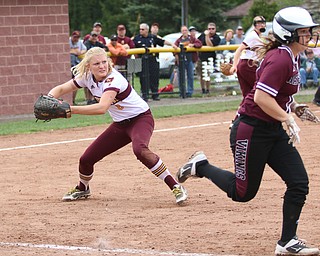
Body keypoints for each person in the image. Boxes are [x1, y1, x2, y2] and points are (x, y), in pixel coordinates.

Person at [177, 6, 320, 256]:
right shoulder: (281, 57)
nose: (309, 35)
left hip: (272, 129)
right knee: (241, 193)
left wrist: (294, 108)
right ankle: (201, 166)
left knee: (298, 183)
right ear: (288, 34)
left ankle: (287, 242)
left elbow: (277, 94)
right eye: (304, 32)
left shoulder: (293, 56)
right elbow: (263, 98)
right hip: (250, 129)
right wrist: (286, 117)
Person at [46, 47, 187, 205]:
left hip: (141, 119)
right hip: (120, 125)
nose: (102, 66)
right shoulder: (86, 77)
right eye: (97, 63)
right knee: (86, 159)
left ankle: (175, 186)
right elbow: (62, 88)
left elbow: (101, 108)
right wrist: (49, 99)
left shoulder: (114, 79)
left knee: (140, 150)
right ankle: (82, 188)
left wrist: (69, 110)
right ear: (88, 66)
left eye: (104, 62)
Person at [133, 23, 177, 101]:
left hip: (153, 59)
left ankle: (155, 94)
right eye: (140, 29)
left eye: (142, 29)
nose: (141, 31)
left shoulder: (152, 37)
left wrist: (172, 44)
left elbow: (162, 41)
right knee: (143, 78)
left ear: (147, 30)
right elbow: (131, 45)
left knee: (154, 77)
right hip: (142, 60)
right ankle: (145, 94)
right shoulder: (137, 38)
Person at [229, 16, 267, 99]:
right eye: (258, 23)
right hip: (248, 65)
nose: (261, 25)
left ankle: (243, 111)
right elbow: (239, 49)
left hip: (246, 65)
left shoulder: (259, 36)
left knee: (247, 94)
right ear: (254, 25)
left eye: (263, 23)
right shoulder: (252, 36)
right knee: (260, 89)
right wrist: (234, 65)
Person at [174, 25, 202, 97]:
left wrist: (193, 45)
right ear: (181, 32)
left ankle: (190, 92)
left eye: (186, 30)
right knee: (181, 77)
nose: (185, 32)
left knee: (190, 76)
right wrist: (176, 56)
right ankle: (182, 91)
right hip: (181, 61)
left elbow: (199, 44)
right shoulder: (178, 40)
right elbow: (174, 48)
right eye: (183, 30)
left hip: (190, 60)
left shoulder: (192, 38)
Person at [83, 31, 108, 104]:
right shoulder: (87, 43)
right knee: (87, 83)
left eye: (95, 36)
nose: (94, 37)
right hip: (88, 67)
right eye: (93, 36)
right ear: (89, 36)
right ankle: (88, 99)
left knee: (96, 83)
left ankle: (95, 98)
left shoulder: (98, 44)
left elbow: (106, 48)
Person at [198, 22, 221, 95]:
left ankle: (208, 89)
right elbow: (198, 43)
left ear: (215, 29)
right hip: (201, 58)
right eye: (209, 29)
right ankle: (203, 89)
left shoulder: (217, 37)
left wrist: (207, 36)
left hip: (210, 59)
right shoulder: (202, 35)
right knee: (201, 75)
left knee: (207, 75)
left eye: (212, 29)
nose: (210, 30)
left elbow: (210, 45)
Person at [69, 30, 87, 104]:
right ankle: (70, 100)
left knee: (75, 83)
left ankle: (73, 100)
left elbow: (84, 49)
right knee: (68, 84)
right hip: (69, 65)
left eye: (78, 37)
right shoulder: (68, 41)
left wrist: (79, 52)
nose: (76, 39)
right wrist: (74, 51)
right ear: (72, 36)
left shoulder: (79, 42)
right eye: (75, 37)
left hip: (76, 66)